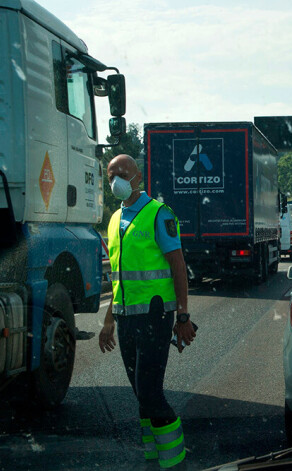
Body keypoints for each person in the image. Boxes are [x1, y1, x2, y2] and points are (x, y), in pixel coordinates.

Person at [98, 154, 196, 469]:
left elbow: (178, 265)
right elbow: (118, 276)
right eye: (111, 175)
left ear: (138, 177)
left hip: (155, 316)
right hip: (126, 317)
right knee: (140, 391)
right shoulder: (114, 220)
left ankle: (174, 460)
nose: (116, 181)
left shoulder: (158, 214)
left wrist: (182, 316)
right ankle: (153, 458)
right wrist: (108, 320)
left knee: (151, 392)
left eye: (122, 174)